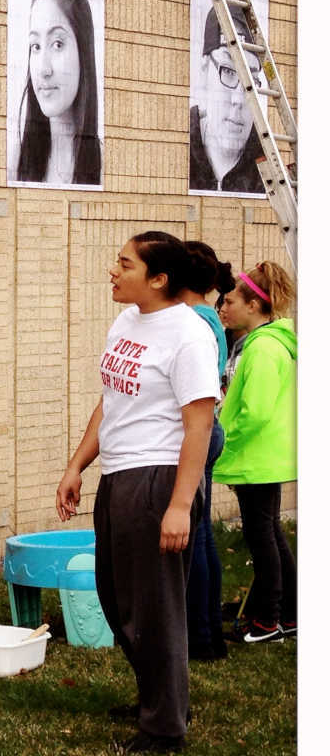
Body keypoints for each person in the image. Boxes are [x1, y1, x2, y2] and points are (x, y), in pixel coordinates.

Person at [57, 232, 218, 754]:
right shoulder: (127, 321)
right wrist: (77, 465)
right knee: (116, 597)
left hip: (156, 479)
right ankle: (158, 696)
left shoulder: (188, 335)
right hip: (120, 475)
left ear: (158, 279)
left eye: (124, 264)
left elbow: (198, 425)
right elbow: (111, 403)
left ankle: (165, 726)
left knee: (154, 608)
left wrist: (178, 505)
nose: (113, 270)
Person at [213, 261, 297, 643]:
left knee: (262, 538)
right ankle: (290, 615)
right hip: (260, 457)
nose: (223, 308)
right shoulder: (260, 343)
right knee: (270, 535)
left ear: (253, 305)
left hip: (256, 457)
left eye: (230, 301)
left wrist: (224, 440)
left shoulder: (263, 348)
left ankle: (269, 621)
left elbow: (256, 411)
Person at [181, 241, 235, 661]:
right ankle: (209, 629)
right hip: (208, 428)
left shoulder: (194, 320)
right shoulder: (208, 316)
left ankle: (200, 637)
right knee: (203, 537)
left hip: (199, 431)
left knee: (195, 537)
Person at [12, 0, 102, 187]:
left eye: (58, 44)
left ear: (83, 52)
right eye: (36, 46)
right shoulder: (14, 161)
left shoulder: (107, 166)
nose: (44, 69)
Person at [189, 2, 264, 194]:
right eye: (229, 71)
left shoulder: (267, 163)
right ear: (204, 71)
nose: (239, 99)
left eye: (252, 80)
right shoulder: (175, 140)